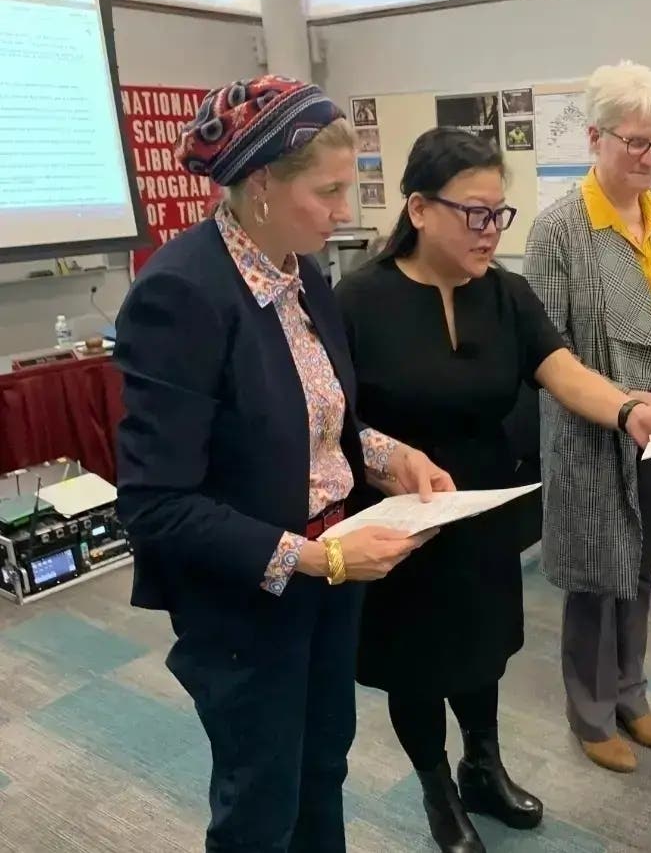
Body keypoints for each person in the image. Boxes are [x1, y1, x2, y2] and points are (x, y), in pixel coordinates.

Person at [115, 76, 452, 853]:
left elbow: (321, 427)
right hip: (250, 594)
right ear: (261, 182)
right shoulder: (181, 294)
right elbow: (156, 504)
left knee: (322, 764)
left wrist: (390, 457)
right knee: (260, 797)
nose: (345, 212)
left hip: (330, 579)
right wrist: (319, 557)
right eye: (329, 191)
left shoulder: (305, 274)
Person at [335, 127, 651, 853]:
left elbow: (562, 370)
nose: (490, 230)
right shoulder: (361, 300)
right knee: (417, 662)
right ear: (420, 209)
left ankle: (482, 767)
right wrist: (386, 461)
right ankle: (436, 788)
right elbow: (335, 419)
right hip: (402, 517)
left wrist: (626, 407)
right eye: (474, 213)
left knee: (483, 648)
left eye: (500, 213)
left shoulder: (507, 295)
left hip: (487, 509)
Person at [524, 61, 651, 774]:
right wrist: (620, 404)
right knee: (595, 576)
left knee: (639, 570)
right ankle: (589, 713)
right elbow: (546, 350)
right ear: (594, 137)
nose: (648, 158)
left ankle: (630, 692)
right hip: (594, 433)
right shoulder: (559, 231)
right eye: (634, 142)